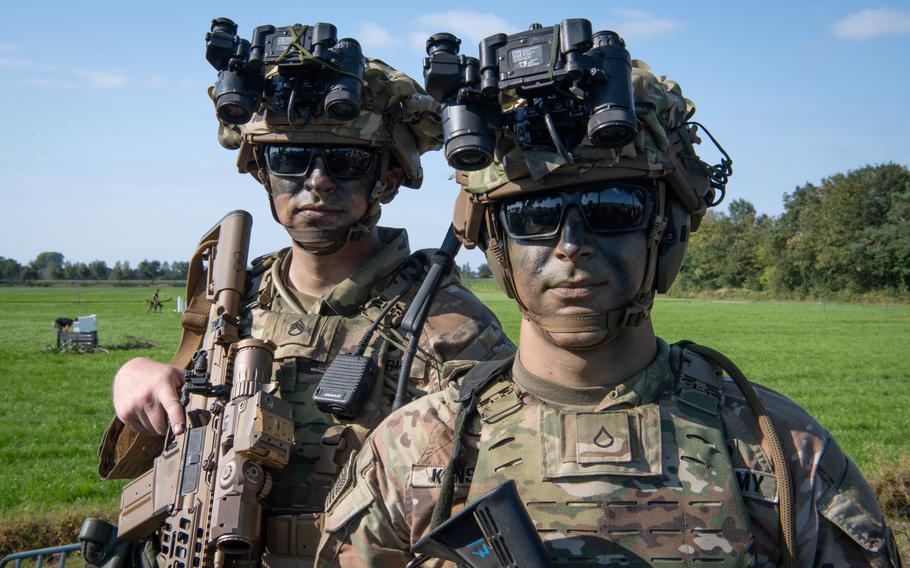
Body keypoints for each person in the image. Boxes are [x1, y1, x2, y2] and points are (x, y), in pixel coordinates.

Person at [315, 41, 901, 567]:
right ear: (496, 245)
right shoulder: (413, 451)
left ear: (665, 233)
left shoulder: (780, 451)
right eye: (533, 217)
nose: (571, 246)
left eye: (613, 210)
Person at [96, 22, 514, 568]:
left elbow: (496, 512)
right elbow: (163, 432)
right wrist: (136, 376)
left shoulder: (448, 324)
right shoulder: (233, 305)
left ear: (387, 180)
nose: (316, 181)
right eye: (290, 160)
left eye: (345, 162)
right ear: (263, 175)